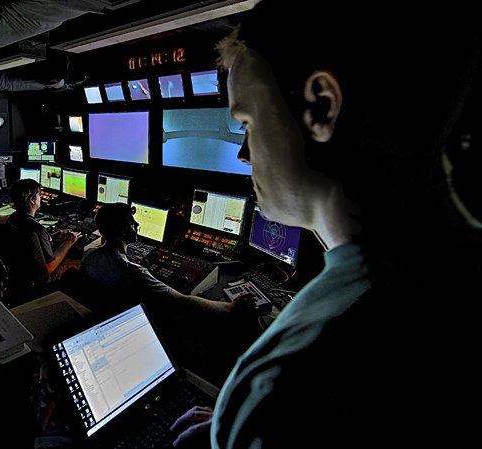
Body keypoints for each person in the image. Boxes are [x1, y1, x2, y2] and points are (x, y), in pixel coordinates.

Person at [169, 1, 479, 448]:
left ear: (320, 107)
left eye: (247, 122)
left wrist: (242, 420)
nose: (243, 154)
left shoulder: (288, 382)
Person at [81, 202, 247, 316]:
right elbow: (184, 301)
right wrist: (229, 308)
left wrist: (127, 259)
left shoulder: (89, 256)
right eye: (132, 223)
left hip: (106, 313)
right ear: (123, 232)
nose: (137, 225)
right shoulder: (134, 273)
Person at [5, 178, 80, 286]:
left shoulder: (12, 219)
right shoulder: (37, 229)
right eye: (39, 195)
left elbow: (30, 244)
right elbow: (50, 266)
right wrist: (69, 242)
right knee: (78, 262)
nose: (40, 197)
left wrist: (52, 237)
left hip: (18, 274)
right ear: (32, 200)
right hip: (39, 281)